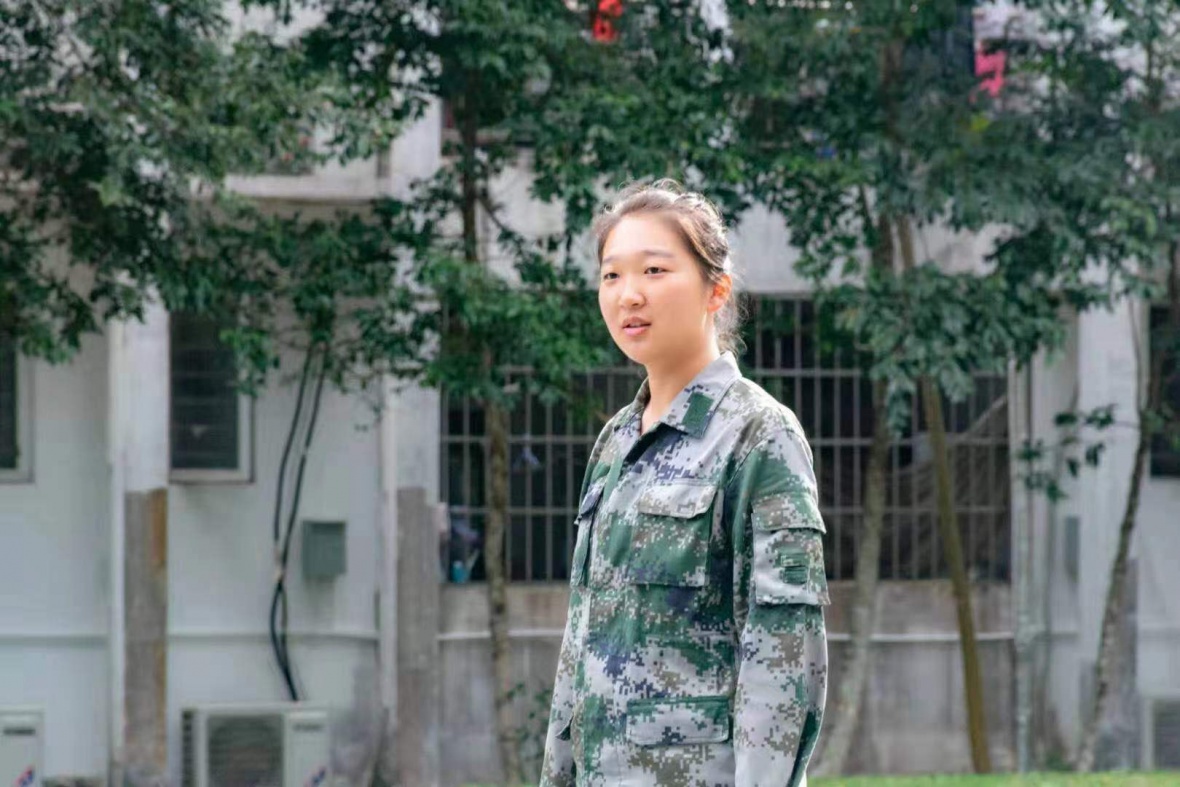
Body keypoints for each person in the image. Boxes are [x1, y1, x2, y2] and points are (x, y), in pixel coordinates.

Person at [539, 181, 829, 787]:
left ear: (715, 290)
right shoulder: (616, 441)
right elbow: (579, 643)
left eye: (654, 270)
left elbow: (782, 655)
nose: (629, 294)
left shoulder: (759, 434)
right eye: (612, 275)